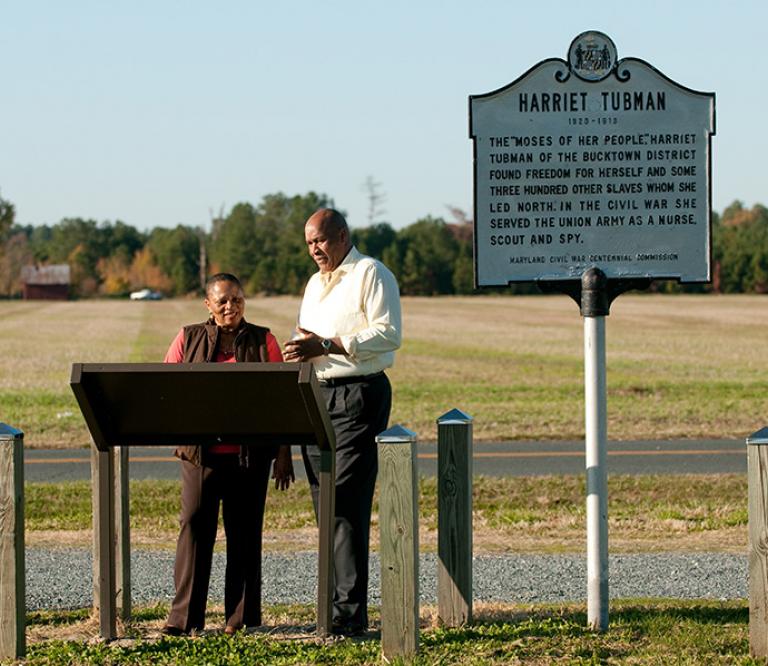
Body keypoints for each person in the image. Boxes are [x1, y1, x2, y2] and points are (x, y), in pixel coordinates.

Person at [283, 208, 402, 636]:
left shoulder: (371, 273)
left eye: (321, 241)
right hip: (317, 395)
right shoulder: (315, 283)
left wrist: (330, 343)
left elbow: (389, 333)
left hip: (357, 395)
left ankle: (349, 616)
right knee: (324, 504)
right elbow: (310, 337)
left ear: (342, 235)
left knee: (346, 502)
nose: (315, 250)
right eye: (309, 244)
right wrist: (301, 348)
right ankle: (333, 609)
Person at [162, 272, 294, 636]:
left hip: (249, 458)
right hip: (200, 456)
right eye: (222, 300)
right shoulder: (187, 337)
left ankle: (241, 620)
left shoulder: (264, 340)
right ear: (208, 304)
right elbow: (165, 387)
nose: (230, 306)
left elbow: (282, 400)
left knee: (245, 535)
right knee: (193, 529)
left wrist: (283, 453)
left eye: (236, 299)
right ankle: (184, 619)